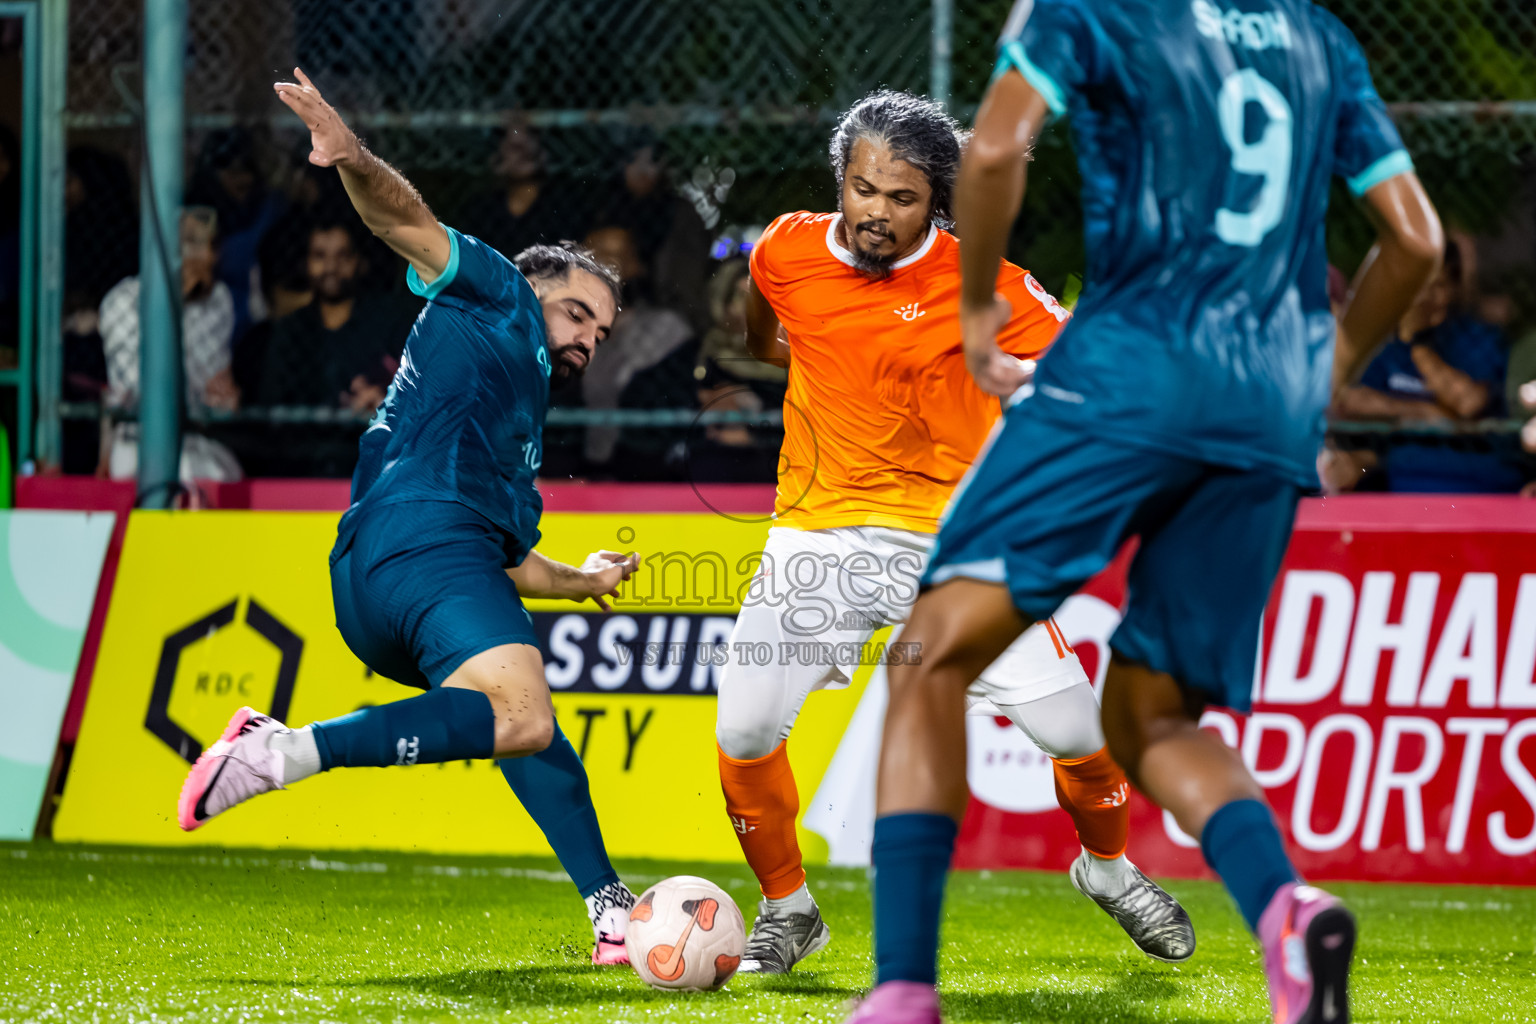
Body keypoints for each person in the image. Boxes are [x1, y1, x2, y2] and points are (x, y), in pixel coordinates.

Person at [848, 3, 1443, 1022]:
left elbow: (992, 149)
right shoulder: (1320, 36)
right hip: (1269, 404)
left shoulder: (1094, 8)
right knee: (1153, 712)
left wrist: (980, 305)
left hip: (1129, 373)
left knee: (934, 652)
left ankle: (903, 988)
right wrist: (1329, 370)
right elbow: (1417, 241)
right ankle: (1288, 909)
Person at [718, 90, 1194, 976]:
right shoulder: (784, 247)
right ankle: (789, 909)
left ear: (937, 200)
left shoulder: (993, 288)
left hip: (953, 547)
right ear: (840, 183)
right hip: (815, 537)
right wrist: (793, 362)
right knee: (743, 732)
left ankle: (1109, 870)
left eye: (901, 199)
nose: (876, 214)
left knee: (1078, 737)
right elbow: (761, 329)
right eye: (862, 190)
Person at [178, 68, 643, 967]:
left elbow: (509, 565)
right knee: (523, 715)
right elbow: (404, 222)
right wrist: (349, 154)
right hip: (419, 546)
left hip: (377, 584)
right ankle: (284, 753)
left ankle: (609, 905)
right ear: (537, 284)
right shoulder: (500, 293)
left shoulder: (516, 439)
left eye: (604, 331)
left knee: (522, 714)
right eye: (579, 311)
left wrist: (580, 581)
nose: (589, 335)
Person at [1328, 239, 1521, 493]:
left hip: (1473, 477)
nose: (1425, 296)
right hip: (1397, 474)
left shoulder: (1476, 338)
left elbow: (1468, 404)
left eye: (1437, 285)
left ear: (1453, 289)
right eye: (1417, 286)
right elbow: (1349, 400)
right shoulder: (1383, 341)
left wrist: (1416, 342)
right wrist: (1423, 411)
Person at [98, 207, 244, 484]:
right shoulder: (122, 301)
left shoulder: (218, 301)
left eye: (214, 245)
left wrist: (224, 397)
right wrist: (175, 305)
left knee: (228, 474)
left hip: (195, 438)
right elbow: (142, 391)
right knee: (182, 472)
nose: (210, 258)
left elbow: (212, 395)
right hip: (135, 439)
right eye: (197, 245)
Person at [256, 219, 420, 412]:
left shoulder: (388, 321)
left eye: (342, 256)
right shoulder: (291, 330)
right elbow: (270, 402)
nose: (331, 267)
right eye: (320, 256)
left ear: (358, 261)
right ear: (306, 263)